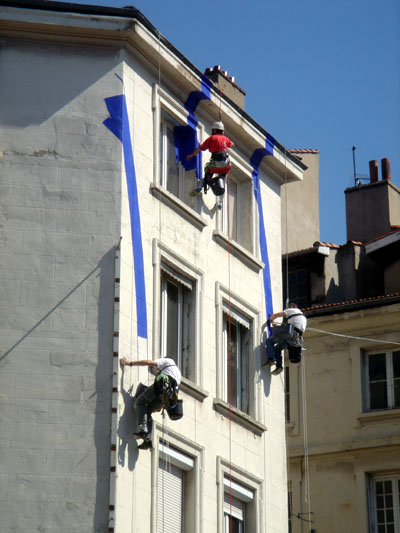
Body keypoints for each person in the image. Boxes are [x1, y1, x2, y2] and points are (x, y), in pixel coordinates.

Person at [120, 357, 182, 450]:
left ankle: (144, 430)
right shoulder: (177, 373)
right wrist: (161, 405)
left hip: (159, 389)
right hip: (165, 399)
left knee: (139, 403)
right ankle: (148, 440)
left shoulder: (168, 361)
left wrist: (130, 363)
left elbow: (148, 362)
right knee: (147, 412)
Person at [187, 121, 234, 200]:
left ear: (215, 130)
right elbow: (232, 144)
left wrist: (191, 155)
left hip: (215, 165)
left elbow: (200, 148)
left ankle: (200, 186)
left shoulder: (212, 138)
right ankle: (220, 200)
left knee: (207, 173)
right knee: (222, 179)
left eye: (212, 130)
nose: (212, 132)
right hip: (226, 165)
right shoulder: (226, 139)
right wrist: (228, 142)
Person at [264, 302, 307, 375]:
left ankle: (271, 359)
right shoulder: (301, 317)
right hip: (296, 338)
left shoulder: (292, 310)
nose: (286, 310)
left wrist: (270, 320)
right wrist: (278, 325)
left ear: (292, 306)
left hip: (290, 334)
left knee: (269, 341)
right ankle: (279, 366)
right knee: (277, 349)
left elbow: (275, 315)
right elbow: (289, 326)